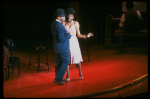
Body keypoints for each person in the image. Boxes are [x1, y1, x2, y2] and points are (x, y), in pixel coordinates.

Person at [62, 8, 93, 81]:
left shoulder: (76, 23)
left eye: (71, 16)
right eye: (68, 16)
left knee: (77, 60)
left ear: (73, 17)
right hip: (66, 42)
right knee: (67, 59)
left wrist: (86, 36)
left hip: (74, 42)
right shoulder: (64, 24)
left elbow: (79, 35)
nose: (69, 17)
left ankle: (80, 72)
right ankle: (68, 75)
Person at [50, 9, 74, 85]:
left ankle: (57, 78)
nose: (64, 18)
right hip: (62, 48)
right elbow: (61, 38)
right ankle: (58, 79)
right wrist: (69, 34)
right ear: (59, 16)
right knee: (65, 62)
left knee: (58, 63)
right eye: (63, 16)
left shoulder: (53, 24)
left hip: (57, 47)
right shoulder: (60, 26)